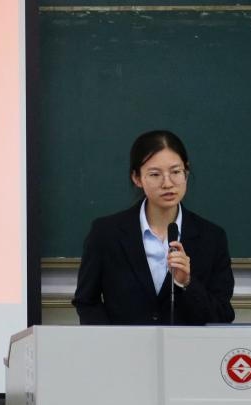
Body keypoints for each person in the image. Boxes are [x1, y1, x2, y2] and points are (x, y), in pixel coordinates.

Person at [72, 130, 234, 325]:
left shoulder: (212, 237)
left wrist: (187, 283)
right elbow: (87, 301)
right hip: (123, 344)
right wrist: (111, 340)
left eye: (176, 172)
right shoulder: (106, 233)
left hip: (185, 344)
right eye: (155, 174)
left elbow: (222, 314)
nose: (167, 183)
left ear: (186, 172)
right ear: (137, 178)